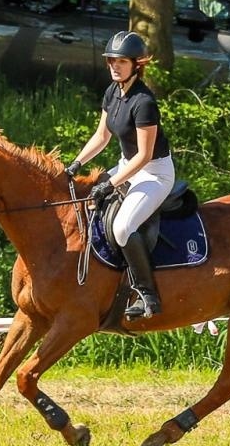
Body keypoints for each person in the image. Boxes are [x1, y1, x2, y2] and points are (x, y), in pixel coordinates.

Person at [62, 30, 174, 319]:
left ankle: (147, 295)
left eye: (121, 61)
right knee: (84, 202)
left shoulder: (144, 102)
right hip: (127, 165)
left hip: (153, 173)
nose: (114, 66)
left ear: (137, 64)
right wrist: (76, 164)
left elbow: (145, 155)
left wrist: (111, 183)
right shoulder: (112, 92)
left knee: (123, 227)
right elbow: (101, 136)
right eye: (111, 60)